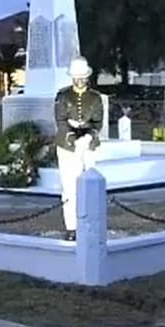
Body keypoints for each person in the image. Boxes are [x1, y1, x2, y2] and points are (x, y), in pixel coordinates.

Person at [54, 56, 103, 241]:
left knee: (91, 185)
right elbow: (60, 121)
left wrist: (89, 135)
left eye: (82, 77)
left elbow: (98, 122)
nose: (79, 80)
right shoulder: (63, 96)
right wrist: (72, 137)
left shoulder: (95, 98)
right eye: (76, 77)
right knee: (69, 187)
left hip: (89, 145)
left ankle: (92, 224)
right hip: (67, 145)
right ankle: (71, 227)